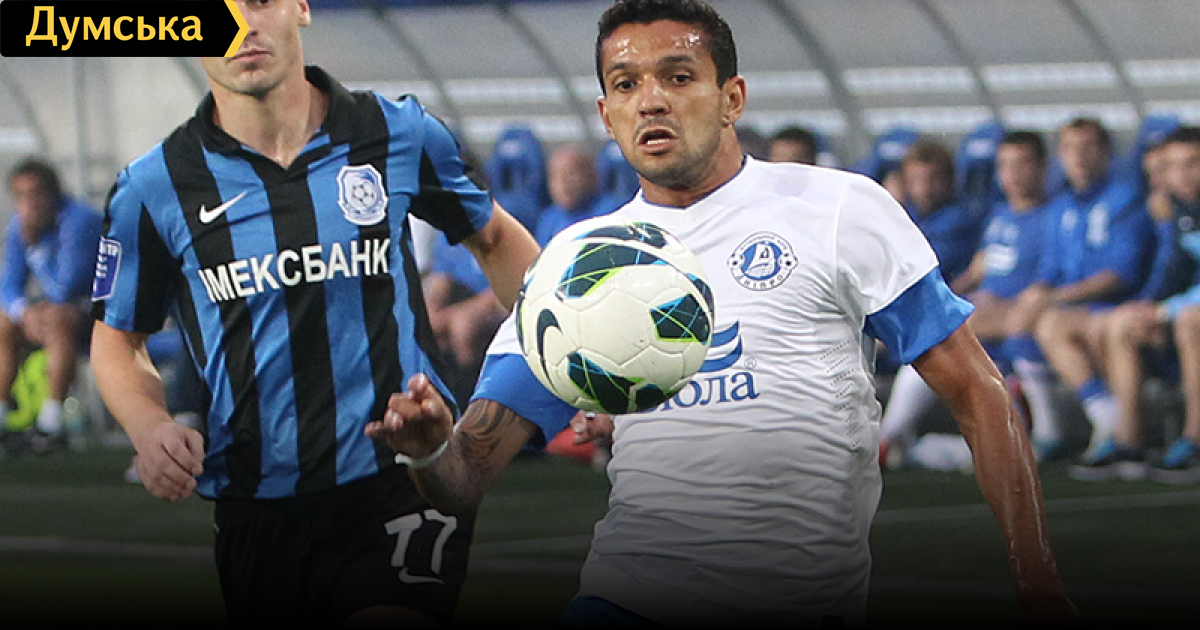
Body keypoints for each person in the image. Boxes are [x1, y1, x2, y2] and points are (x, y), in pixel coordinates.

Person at [366, 1, 1077, 626]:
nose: (651, 101)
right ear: (607, 116)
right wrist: (428, 448)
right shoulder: (577, 265)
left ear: (731, 97)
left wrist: (1038, 583)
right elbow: (465, 478)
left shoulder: (837, 210)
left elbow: (978, 393)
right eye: (626, 84)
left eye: (678, 77)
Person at [88, 0, 538, 625]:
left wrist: (567, 359)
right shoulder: (154, 187)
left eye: (257, 2)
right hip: (258, 505)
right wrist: (149, 426)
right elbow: (117, 340)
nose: (239, 26)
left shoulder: (396, 132)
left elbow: (494, 237)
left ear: (299, 7)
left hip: (404, 477)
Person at [880, 131, 1052, 464]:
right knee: (929, 346)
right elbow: (976, 271)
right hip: (981, 323)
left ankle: (890, 439)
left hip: (1011, 322)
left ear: (1043, 168)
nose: (1013, 175)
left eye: (1022, 165)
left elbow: (1048, 281)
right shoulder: (1000, 215)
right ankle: (891, 441)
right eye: (1005, 166)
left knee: (933, 339)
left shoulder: (1052, 216)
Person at [1009, 117, 1154, 466]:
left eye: (1087, 147)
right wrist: (1037, 293)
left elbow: (1120, 275)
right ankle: (1049, 431)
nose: (1077, 157)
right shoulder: (1060, 207)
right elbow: (1049, 270)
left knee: (1050, 323)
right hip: (1074, 308)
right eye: (1069, 149)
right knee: (1018, 320)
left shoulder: (1124, 199)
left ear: (1106, 152)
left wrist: (1055, 298)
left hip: (1113, 306)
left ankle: (1105, 423)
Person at [1082, 126, 1200, 482]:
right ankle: (1130, 441)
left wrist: (1167, 311)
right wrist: (1149, 308)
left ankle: (1195, 439)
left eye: (1192, 163)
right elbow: (1174, 274)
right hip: (1186, 308)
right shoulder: (1183, 211)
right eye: (1173, 166)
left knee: (1190, 320)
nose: (1182, 175)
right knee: (1124, 323)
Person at [0, 158, 101, 451]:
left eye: (34, 194)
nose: (28, 204)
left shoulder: (80, 221)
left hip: (103, 312)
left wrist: (35, 246)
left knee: (58, 319)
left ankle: (51, 424)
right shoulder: (19, 226)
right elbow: (8, 285)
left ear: (52, 193)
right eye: (20, 196)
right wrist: (24, 311)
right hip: (54, 312)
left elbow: (68, 285)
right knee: (4, 323)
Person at [533, 143, 624, 246]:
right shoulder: (548, 219)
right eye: (555, 176)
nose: (563, 183)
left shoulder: (612, 212)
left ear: (591, 175)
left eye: (570, 174)